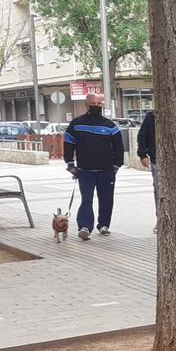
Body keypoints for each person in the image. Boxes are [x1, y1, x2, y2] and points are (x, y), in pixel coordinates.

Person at [63, 93, 124, 240]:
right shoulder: (76, 124)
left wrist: (116, 166)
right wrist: (70, 164)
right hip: (84, 171)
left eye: (99, 105)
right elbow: (68, 144)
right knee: (87, 199)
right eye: (93, 104)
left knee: (107, 199)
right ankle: (84, 226)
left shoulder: (110, 126)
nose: (96, 107)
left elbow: (119, 147)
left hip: (106, 171)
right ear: (86, 105)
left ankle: (104, 225)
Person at [137, 109, 158, 233]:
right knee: (159, 189)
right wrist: (142, 154)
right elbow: (142, 135)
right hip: (157, 158)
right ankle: (161, 219)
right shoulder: (151, 116)